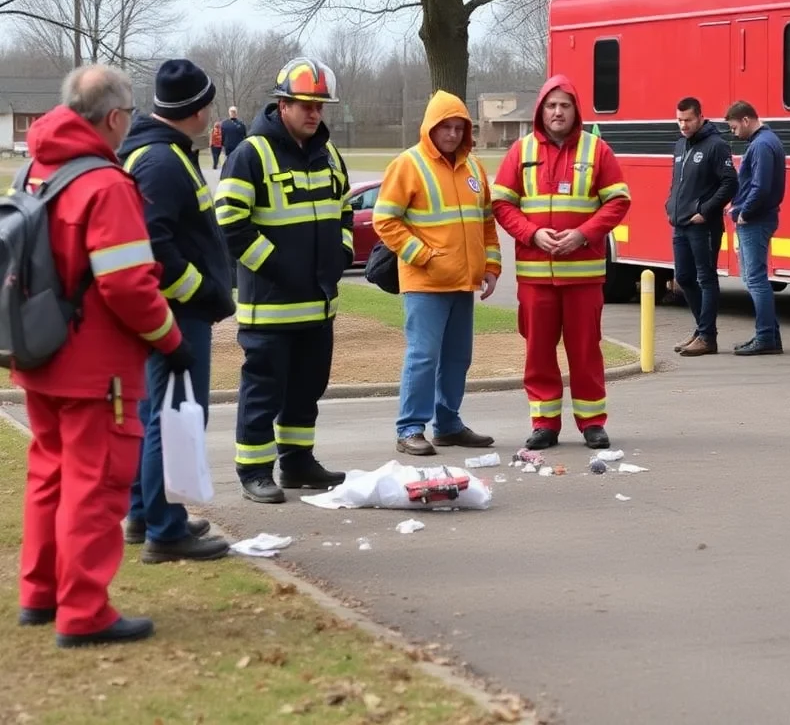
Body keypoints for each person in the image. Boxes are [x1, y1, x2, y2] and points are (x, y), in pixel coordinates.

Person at [13, 66, 193, 648]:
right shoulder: (107, 185)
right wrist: (171, 338)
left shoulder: (37, 167)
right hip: (98, 370)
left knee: (50, 475)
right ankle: (84, 612)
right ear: (115, 118)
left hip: (40, 353)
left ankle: (39, 594)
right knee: (94, 488)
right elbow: (128, 287)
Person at [214, 57, 353, 503]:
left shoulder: (329, 154)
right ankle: (254, 469)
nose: (314, 113)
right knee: (263, 392)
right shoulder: (249, 154)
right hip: (270, 305)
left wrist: (343, 252)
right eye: (304, 105)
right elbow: (230, 223)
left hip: (318, 305)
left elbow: (345, 210)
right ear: (282, 104)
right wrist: (276, 265)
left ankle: (297, 462)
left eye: (319, 106)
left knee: (307, 390)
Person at [120, 60, 235, 563]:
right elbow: (154, 244)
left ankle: (146, 513)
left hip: (172, 311)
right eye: (206, 103)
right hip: (175, 314)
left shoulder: (162, 153)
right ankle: (165, 532)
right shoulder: (162, 163)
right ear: (195, 109)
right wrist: (200, 291)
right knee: (173, 418)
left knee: (158, 414)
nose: (210, 113)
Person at [492, 75, 630, 450]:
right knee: (538, 353)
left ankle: (592, 423)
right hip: (536, 276)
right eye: (551, 105)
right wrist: (532, 234)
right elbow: (502, 204)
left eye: (564, 105)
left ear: (575, 111)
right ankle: (544, 423)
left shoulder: (596, 150)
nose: (557, 112)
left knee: (586, 351)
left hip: (584, 276)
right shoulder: (520, 151)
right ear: (541, 110)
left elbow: (619, 200)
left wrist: (583, 233)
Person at [372, 91, 501, 456]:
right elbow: (385, 219)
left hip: (463, 282)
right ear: (431, 127)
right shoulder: (408, 165)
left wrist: (491, 266)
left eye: (460, 127)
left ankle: (448, 425)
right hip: (425, 283)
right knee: (423, 356)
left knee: (458, 357)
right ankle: (410, 428)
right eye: (446, 126)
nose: (453, 134)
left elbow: (486, 224)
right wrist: (423, 256)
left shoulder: (474, 168)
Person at [666, 97, 738, 356]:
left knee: (705, 278)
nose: (683, 125)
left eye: (687, 120)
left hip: (702, 225)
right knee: (683, 278)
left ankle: (708, 337)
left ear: (700, 117)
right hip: (680, 224)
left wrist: (704, 210)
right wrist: (670, 204)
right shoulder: (680, 145)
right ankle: (701, 330)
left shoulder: (716, 146)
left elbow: (730, 184)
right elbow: (677, 182)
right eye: (679, 120)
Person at [725, 100, 787, 355]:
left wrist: (743, 212)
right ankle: (769, 335)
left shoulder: (761, 145)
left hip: (755, 220)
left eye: (734, 127)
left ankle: (765, 338)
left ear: (746, 120)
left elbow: (760, 187)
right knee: (754, 278)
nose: (733, 133)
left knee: (755, 280)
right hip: (761, 218)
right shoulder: (768, 141)